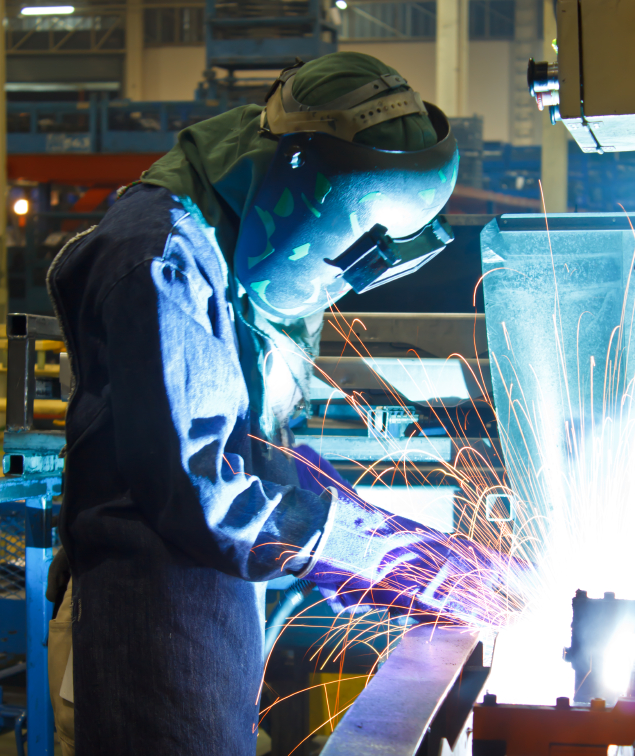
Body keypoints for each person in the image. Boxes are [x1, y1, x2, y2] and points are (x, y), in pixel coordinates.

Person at [45, 52, 509, 755]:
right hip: (144, 617)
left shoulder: (242, 234)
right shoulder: (161, 259)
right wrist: (384, 557)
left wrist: (387, 537)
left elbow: (255, 443)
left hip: (206, 597)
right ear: (309, 189)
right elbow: (206, 492)